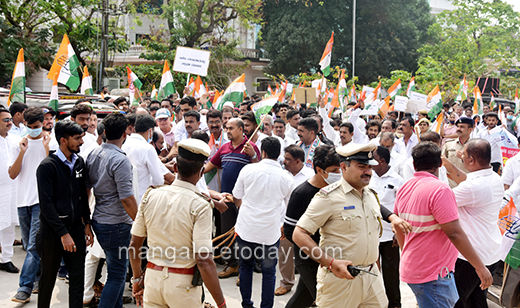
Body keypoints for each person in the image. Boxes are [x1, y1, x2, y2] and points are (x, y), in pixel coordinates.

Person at [292, 143, 409, 308]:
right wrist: (330, 262)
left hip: (371, 277)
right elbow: (299, 234)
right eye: (361, 167)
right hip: (340, 281)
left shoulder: (370, 195)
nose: (368, 171)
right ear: (343, 167)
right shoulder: (328, 197)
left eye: (370, 167)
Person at [128, 139, 227, 308]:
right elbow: (203, 260)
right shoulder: (201, 205)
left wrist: (137, 279)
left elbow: (134, 244)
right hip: (184, 287)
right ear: (202, 172)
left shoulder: (151, 195)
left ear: (175, 168)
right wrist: (221, 303)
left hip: (152, 280)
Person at [393, 142, 493, 308]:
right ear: (440, 164)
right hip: (432, 274)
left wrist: (409, 252)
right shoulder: (440, 189)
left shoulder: (405, 187)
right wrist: (480, 267)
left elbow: (398, 227)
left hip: (416, 268)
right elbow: (454, 233)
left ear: (413, 164)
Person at [36, 120, 94, 308]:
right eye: (77, 138)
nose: (81, 142)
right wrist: (63, 234)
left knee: (77, 278)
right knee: (48, 279)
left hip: (76, 229)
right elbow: (46, 205)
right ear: (63, 140)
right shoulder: (47, 167)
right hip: (52, 233)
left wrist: (87, 224)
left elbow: (82, 196)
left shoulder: (79, 163)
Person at [233, 137, 294, 308]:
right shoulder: (286, 177)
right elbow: (291, 207)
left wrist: (245, 212)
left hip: (246, 229)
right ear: (279, 154)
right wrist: (284, 226)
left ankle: (246, 304)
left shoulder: (248, 170)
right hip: (270, 232)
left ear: (263, 152)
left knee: (245, 267)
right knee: (269, 273)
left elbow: (237, 196)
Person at [441, 139, 503, 308]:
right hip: (491, 250)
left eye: (464, 156)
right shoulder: (494, 178)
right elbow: (466, 179)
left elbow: (441, 202)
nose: (461, 158)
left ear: (472, 160)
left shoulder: (472, 188)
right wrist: (446, 163)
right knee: (477, 300)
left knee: (455, 300)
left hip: (470, 257)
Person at [86, 113, 139, 308]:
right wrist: (142, 223)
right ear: (125, 133)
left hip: (100, 220)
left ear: (105, 132)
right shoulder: (119, 159)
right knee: (117, 275)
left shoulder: (94, 153)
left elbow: (87, 190)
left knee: (114, 271)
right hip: (116, 224)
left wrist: (86, 221)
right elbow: (126, 199)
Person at [284, 145, 341, 308]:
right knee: (324, 299)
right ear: (320, 170)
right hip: (307, 258)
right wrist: (310, 246)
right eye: (335, 169)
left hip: (330, 253)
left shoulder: (336, 189)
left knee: (303, 297)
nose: (339, 174)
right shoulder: (302, 193)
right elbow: (289, 230)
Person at [204, 118, 260, 278]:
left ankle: (245, 268)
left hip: (246, 200)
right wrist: (196, 172)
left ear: (241, 130)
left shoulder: (251, 148)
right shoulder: (224, 148)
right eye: (226, 128)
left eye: (231, 128)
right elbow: (210, 165)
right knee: (227, 232)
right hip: (226, 198)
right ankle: (232, 265)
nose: (227, 131)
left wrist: (254, 156)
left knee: (245, 234)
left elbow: (258, 171)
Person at [9, 106, 51, 303]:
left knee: (33, 245)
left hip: (40, 201)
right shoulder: (18, 143)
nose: (35, 129)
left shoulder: (49, 142)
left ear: (43, 123)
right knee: (29, 245)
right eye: (31, 126)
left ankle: (24, 286)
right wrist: (22, 152)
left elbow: (54, 171)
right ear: (24, 123)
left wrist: (46, 149)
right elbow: (12, 173)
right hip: (22, 200)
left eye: (38, 125)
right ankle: (38, 277)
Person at [275, 145, 315, 297]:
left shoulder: (310, 176)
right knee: (285, 253)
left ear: (298, 161)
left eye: (288, 159)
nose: (284, 162)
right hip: (285, 222)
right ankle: (286, 283)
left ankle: (311, 289)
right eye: (284, 158)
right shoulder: (282, 175)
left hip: (307, 224)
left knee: (309, 258)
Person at [369, 146, 404, 308]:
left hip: (390, 235)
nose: (370, 161)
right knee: (371, 272)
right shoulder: (367, 178)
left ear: (381, 161)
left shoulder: (397, 180)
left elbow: (402, 209)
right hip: (370, 233)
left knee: (391, 273)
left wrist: (399, 232)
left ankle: (395, 304)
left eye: (373, 158)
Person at [122, 114, 175, 202]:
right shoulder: (147, 148)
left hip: (127, 199)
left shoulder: (124, 144)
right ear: (150, 131)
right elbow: (158, 181)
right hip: (142, 198)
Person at [0, 105, 20, 274]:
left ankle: (5, 258)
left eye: (10, 120)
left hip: (11, 188)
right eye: (5, 120)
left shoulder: (14, 139)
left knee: (9, 224)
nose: (9, 123)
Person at [442, 117, 473, 188]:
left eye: (462, 127)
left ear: (470, 130)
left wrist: (465, 158)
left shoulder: (476, 145)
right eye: (458, 126)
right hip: (450, 183)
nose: (458, 129)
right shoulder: (448, 144)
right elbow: (442, 163)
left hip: (468, 183)